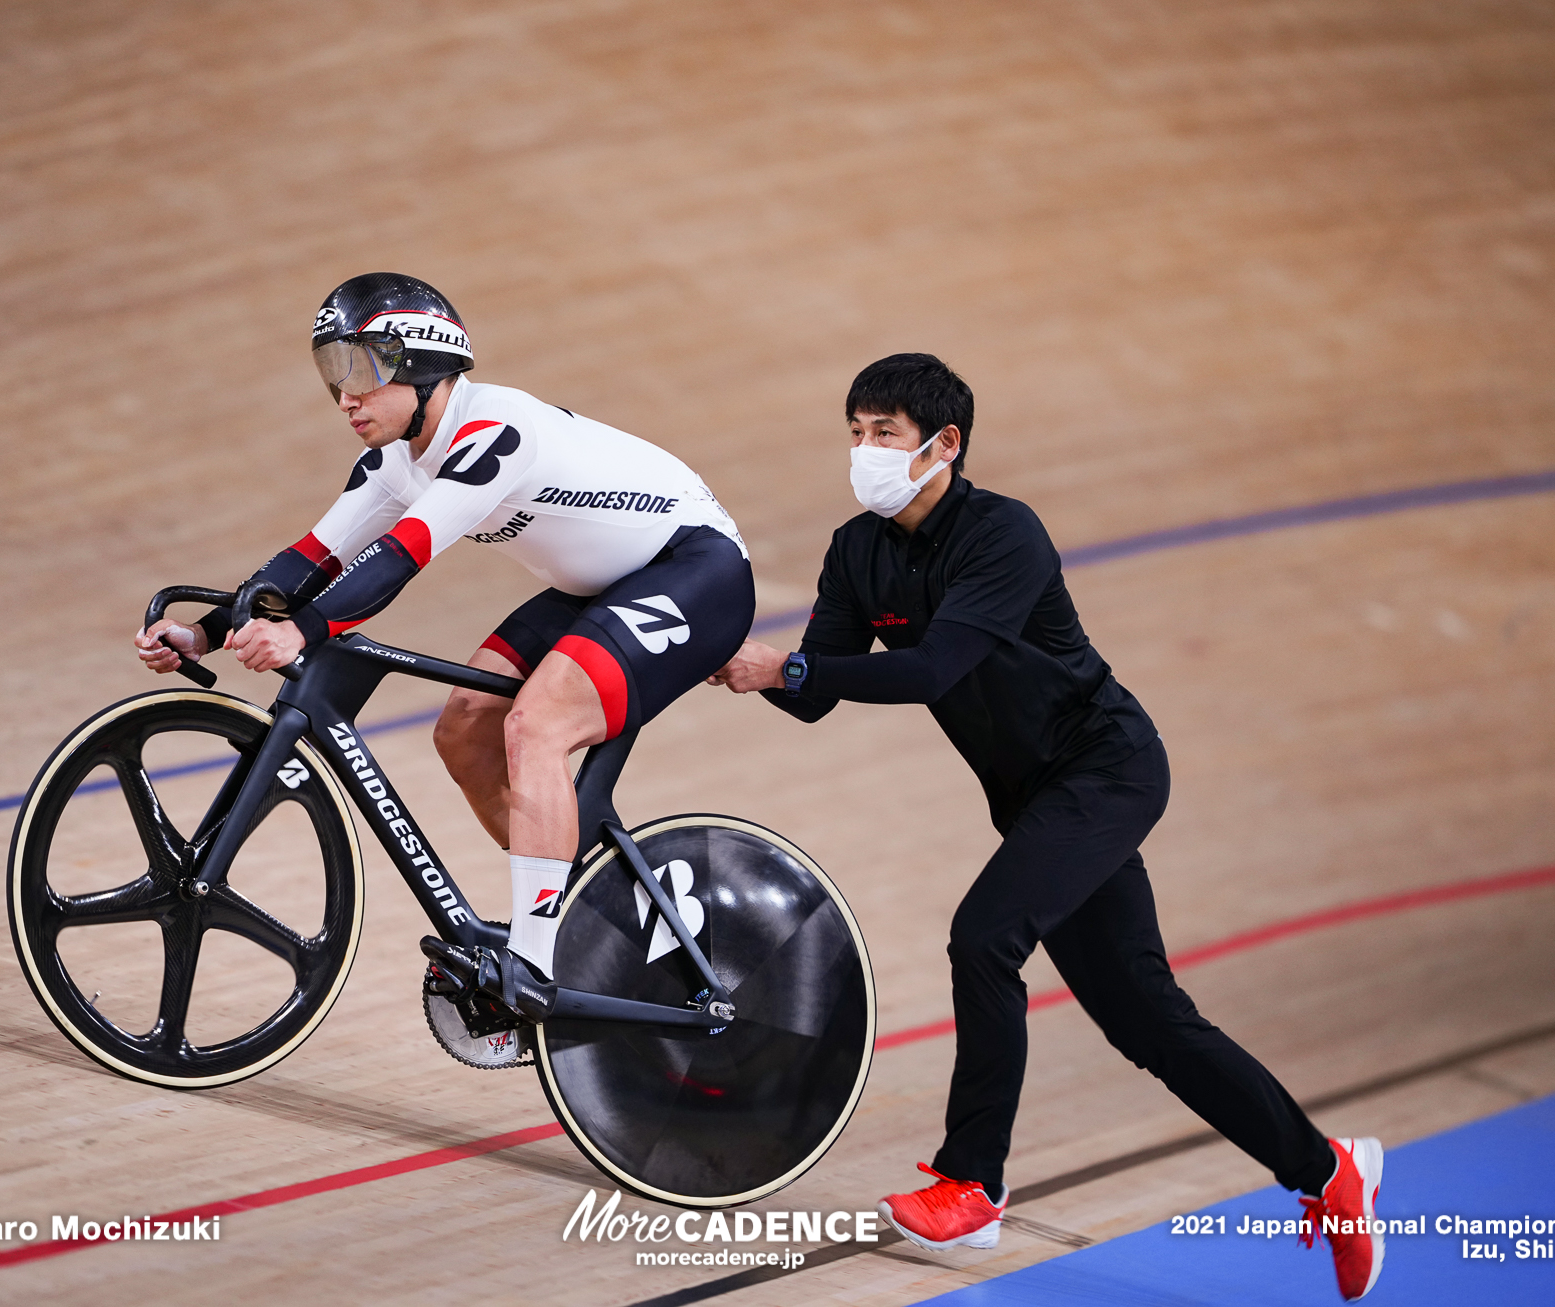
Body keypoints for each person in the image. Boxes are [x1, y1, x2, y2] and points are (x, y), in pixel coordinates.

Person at [706, 353, 1383, 1301]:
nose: (863, 451)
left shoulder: (1003, 534)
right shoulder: (856, 551)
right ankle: (1328, 1173)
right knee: (1149, 1021)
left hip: (1106, 768)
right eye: (855, 432)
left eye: (885, 434)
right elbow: (816, 689)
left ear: (944, 445)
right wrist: (734, 660)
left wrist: (790, 670)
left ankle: (972, 1183)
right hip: (1032, 800)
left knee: (984, 938)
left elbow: (932, 668)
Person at [136, 272, 753, 1020]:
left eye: (360, 368)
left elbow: (404, 552)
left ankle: (533, 959)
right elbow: (312, 559)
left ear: (421, 363)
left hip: (695, 569)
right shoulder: (397, 457)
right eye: (333, 371)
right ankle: (592, 914)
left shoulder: (497, 428)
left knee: (536, 724)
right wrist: (204, 629)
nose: (344, 396)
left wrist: (302, 629)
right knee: (464, 729)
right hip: (603, 586)